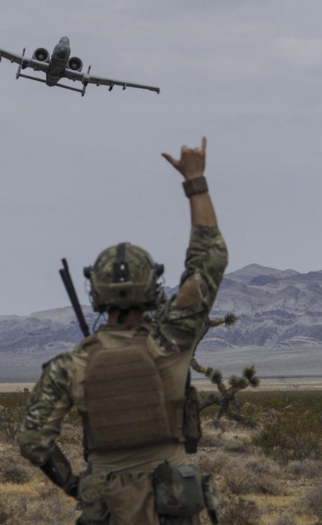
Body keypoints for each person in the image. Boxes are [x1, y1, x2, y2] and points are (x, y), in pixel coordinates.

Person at [18, 138, 227, 525]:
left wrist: (75, 486)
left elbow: (33, 440)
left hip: (107, 509)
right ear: (151, 288)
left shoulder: (72, 365)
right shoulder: (171, 343)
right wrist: (195, 181)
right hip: (173, 507)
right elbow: (210, 260)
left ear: (95, 292)